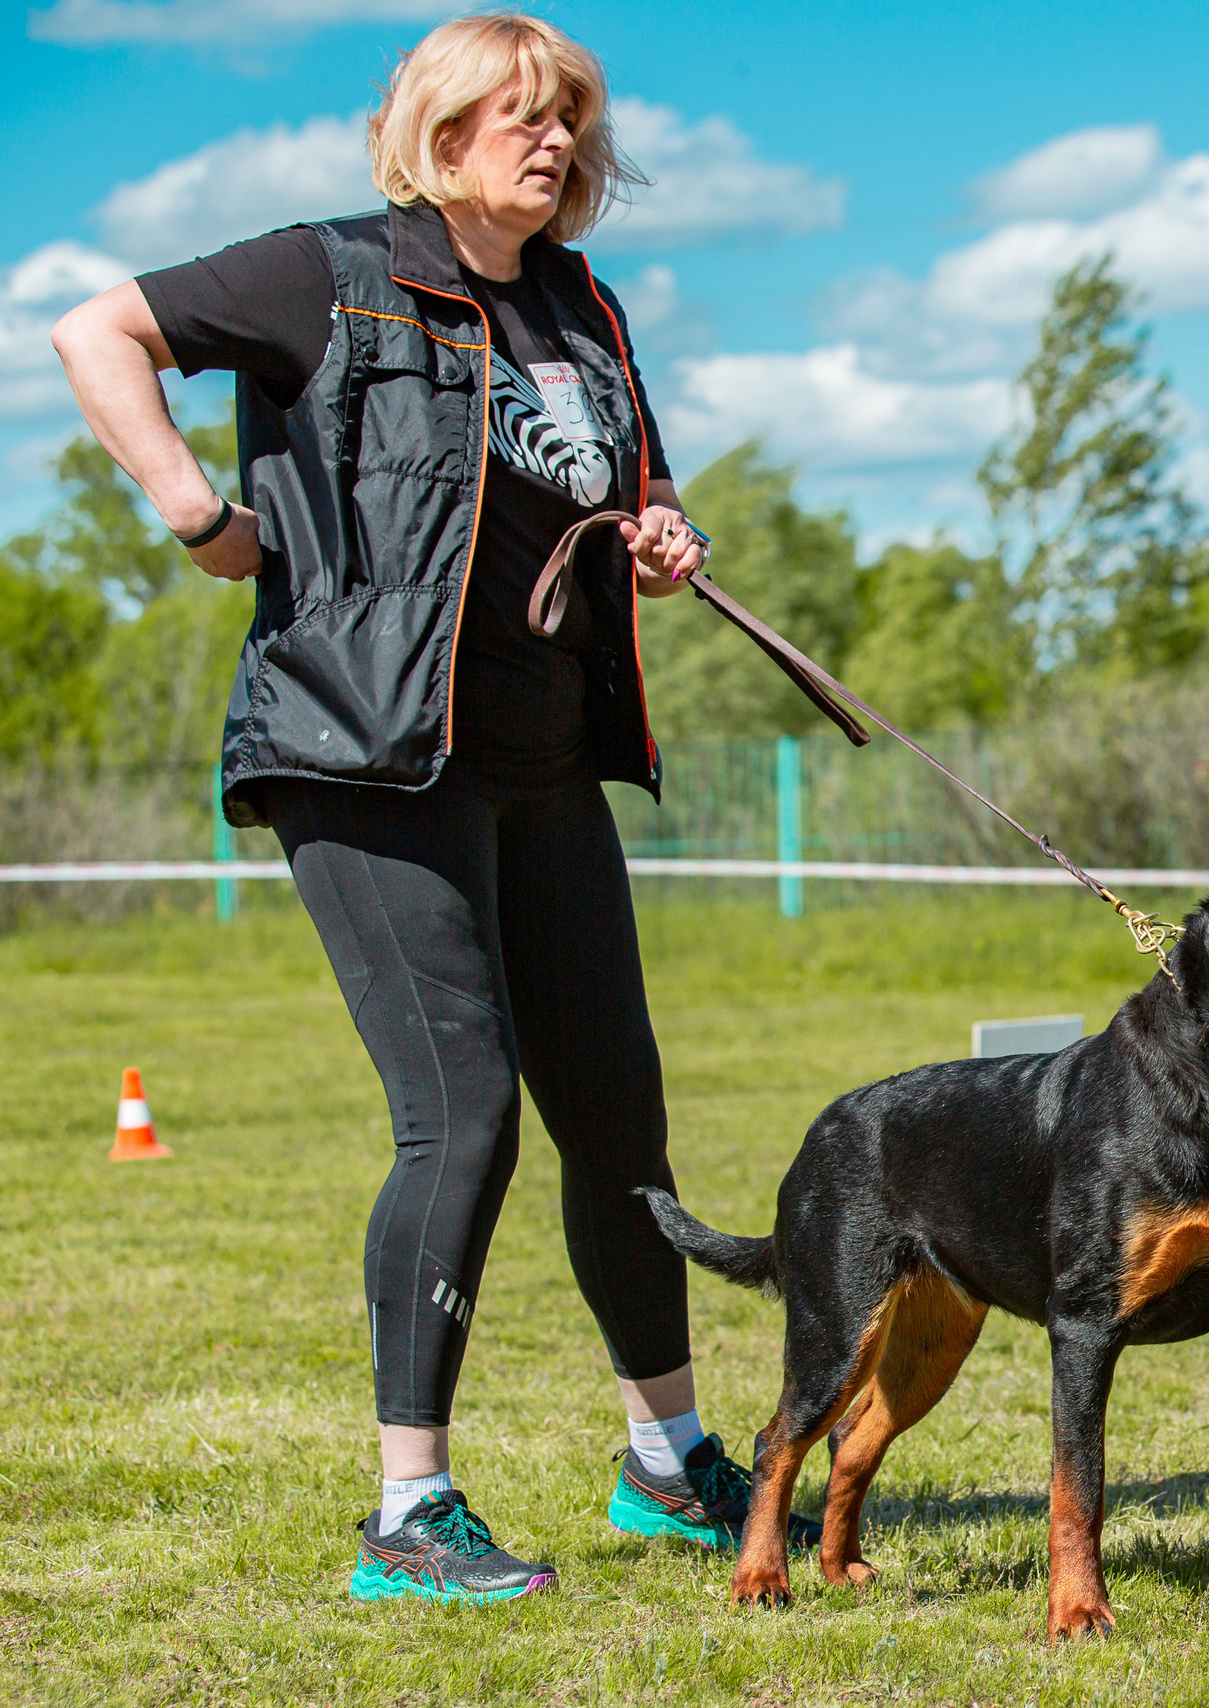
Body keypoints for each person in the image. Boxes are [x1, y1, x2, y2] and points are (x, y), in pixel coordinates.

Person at [50, 13, 813, 1601]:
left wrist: (660, 534)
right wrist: (191, 505)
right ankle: (411, 1511)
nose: (554, 143)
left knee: (619, 1121)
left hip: (544, 762)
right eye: (521, 116)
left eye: (570, 121)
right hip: (368, 752)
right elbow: (90, 329)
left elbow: (621, 488)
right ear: (441, 128)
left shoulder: (582, 305)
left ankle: (668, 1466)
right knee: (460, 1119)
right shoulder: (324, 274)